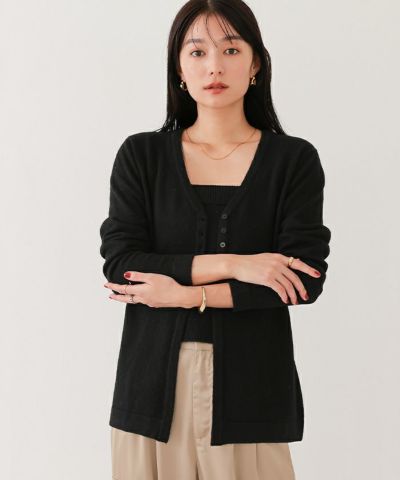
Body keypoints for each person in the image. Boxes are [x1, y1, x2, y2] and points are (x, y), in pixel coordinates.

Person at [100, 1, 331, 478]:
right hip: (151, 394)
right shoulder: (142, 156)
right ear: (178, 68)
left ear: (255, 63)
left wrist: (185, 295)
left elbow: (302, 280)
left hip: (250, 395)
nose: (214, 67)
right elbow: (122, 264)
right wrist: (238, 265)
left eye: (230, 49)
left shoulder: (293, 161)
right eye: (197, 51)